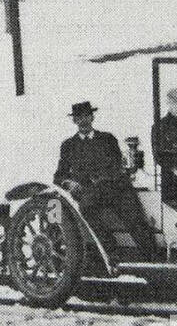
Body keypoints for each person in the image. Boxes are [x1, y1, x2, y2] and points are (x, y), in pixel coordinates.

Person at [56, 101, 159, 262]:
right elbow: (58, 176)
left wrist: (99, 179)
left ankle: (152, 259)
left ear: (92, 117)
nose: (83, 121)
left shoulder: (107, 139)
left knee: (134, 216)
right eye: (78, 118)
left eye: (86, 116)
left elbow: (117, 166)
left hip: (116, 188)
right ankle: (111, 253)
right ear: (74, 121)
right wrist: (69, 183)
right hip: (89, 193)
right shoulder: (68, 145)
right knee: (86, 207)